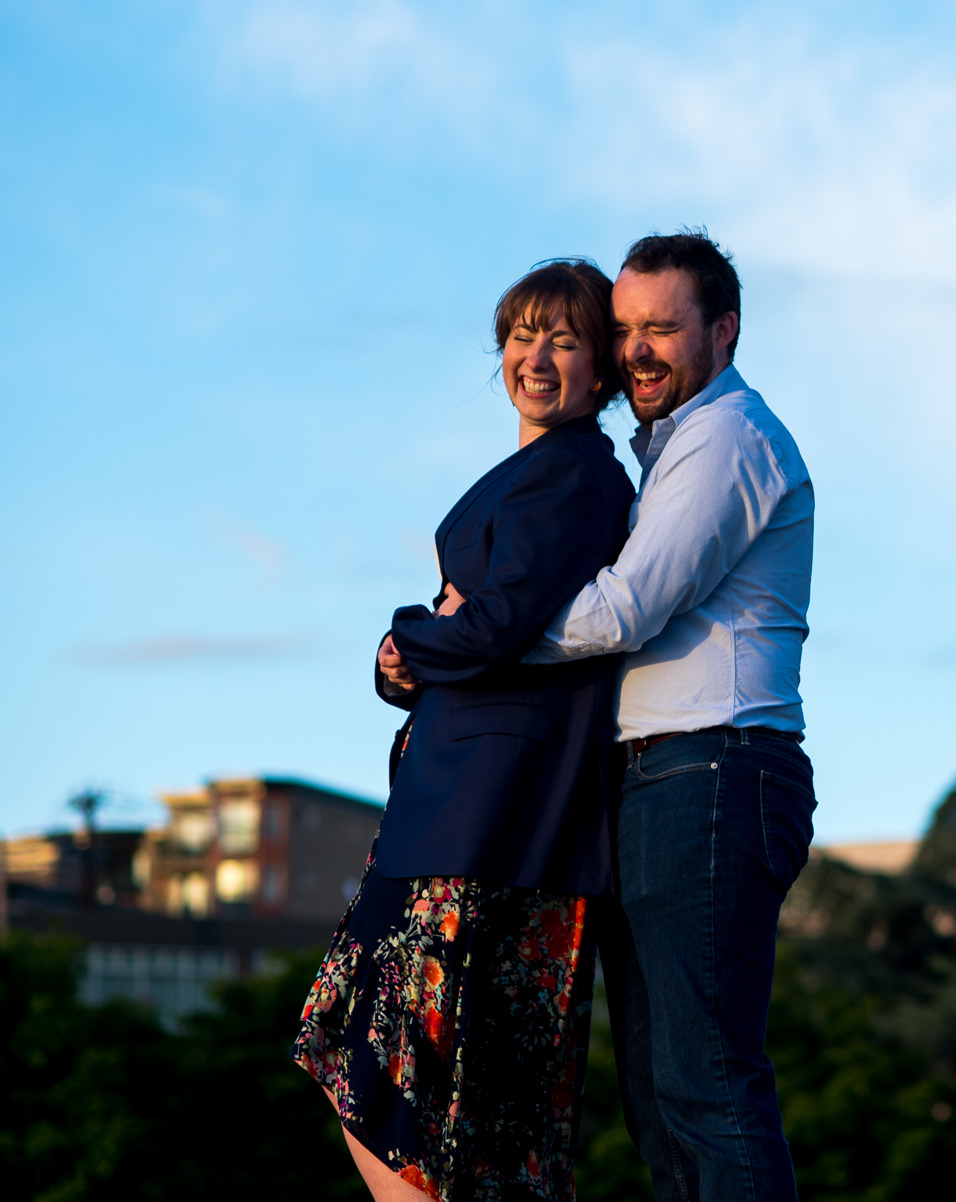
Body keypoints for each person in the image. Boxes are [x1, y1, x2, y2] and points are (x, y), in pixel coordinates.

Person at [385, 230, 817, 1202]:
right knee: (664, 1100)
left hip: (713, 771)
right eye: (626, 330)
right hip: (662, 781)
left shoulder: (725, 441)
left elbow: (625, 608)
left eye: (664, 327)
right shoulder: (663, 449)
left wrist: (474, 635)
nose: (639, 351)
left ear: (726, 330)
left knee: (707, 1088)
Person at [294, 258, 637, 1202]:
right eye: (522, 335)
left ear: (600, 370)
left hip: (487, 825)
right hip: (469, 806)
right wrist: (404, 654)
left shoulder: (572, 477)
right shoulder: (541, 471)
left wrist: (419, 630)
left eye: (564, 339)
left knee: (387, 1074)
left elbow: (499, 624)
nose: (536, 356)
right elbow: (480, 634)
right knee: (445, 1103)